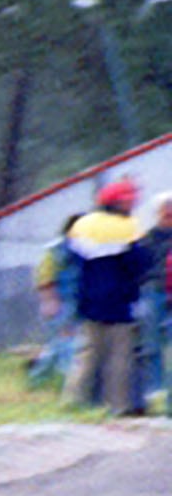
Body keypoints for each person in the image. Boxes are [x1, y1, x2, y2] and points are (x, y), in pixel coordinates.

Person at [62, 178, 152, 416]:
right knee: (120, 356)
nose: (133, 202)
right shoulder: (128, 227)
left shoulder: (82, 224)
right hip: (120, 301)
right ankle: (119, 405)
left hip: (88, 299)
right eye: (130, 198)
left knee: (87, 353)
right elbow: (139, 263)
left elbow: (71, 259)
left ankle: (73, 401)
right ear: (119, 201)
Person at [29, 215, 82, 388]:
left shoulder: (89, 249)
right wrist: (49, 301)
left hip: (82, 302)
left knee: (60, 346)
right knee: (66, 344)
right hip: (61, 303)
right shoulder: (55, 251)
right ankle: (68, 383)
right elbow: (44, 279)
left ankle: (38, 379)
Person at [136, 193, 172, 412]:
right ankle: (154, 391)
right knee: (151, 344)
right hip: (153, 292)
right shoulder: (147, 239)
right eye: (165, 210)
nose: (169, 214)